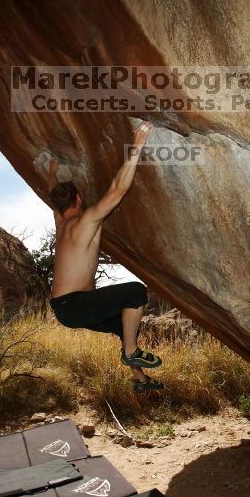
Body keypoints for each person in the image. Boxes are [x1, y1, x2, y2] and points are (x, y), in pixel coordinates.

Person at [47, 121, 163, 393]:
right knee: (135, 292)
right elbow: (117, 190)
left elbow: (52, 195)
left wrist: (52, 173)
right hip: (75, 305)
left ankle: (140, 381)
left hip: (66, 310)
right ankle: (131, 353)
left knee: (126, 327)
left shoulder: (60, 224)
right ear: (78, 198)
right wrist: (137, 146)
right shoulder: (86, 220)